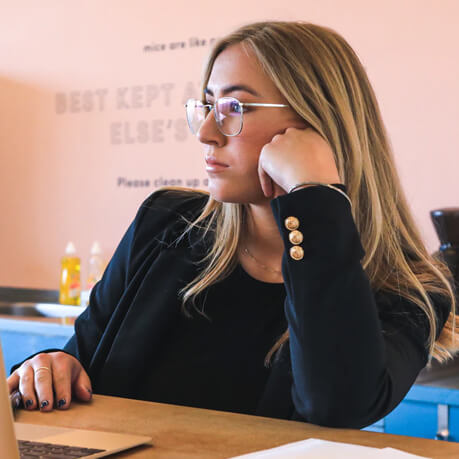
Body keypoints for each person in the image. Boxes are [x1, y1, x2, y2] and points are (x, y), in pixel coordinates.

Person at [7, 21, 458, 428]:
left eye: (234, 107)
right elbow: (79, 361)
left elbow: (337, 405)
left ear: (316, 124)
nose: (206, 131)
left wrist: (314, 196)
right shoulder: (164, 224)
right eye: (207, 106)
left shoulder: (409, 290)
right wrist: (50, 367)